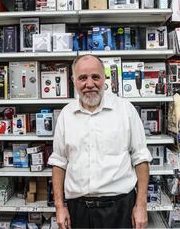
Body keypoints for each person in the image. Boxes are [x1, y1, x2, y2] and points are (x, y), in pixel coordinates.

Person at [48, 54, 153, 229]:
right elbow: (59, 162)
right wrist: (60, 207)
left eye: (95, 77)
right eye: (83, 78)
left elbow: (140, 159)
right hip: (79, 210)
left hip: (120, 209)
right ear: (74, 81)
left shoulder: (125, 110)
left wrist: (141, 206)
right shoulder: (66, 114)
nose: (90, 84)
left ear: (104, 77)